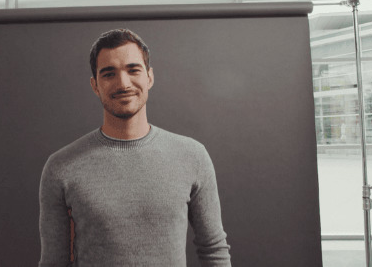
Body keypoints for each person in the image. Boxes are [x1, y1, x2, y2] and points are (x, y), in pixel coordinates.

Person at [39, 28, 231, 266]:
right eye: (109, 74)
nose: (123, 83)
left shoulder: (192, 156)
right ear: (95, 85)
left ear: (149, 77)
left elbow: (214, 250)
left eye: (133, 70)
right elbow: (53, 263)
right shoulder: (61, 167)